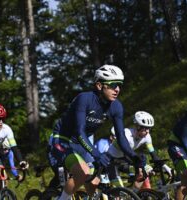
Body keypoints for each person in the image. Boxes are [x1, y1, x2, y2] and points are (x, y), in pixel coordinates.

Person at [48, 65, 143, 200]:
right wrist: (97, 154)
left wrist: (134, 157)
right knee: (83, 172)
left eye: (119, 85)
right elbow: (79, 132)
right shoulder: (84, 99)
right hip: (64, 139)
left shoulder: (116, 106)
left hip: (84, 141)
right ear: (99, 86)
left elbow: (121, 138)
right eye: (113, 85)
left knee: (94, 182)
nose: (117, 89)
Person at [107, 111, 172, 190]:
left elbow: (153, 155)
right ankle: (132, 192)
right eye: (145, 128)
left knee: (148, 170)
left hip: (124, 161)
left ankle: (136, 193)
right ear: (138, 126)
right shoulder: (126, 134)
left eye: (149, 128)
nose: (148, 131)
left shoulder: (147, 137)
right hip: (111, 161)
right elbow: (127, 153)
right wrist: (139, 166)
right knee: (118, 190)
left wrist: (165, 166)